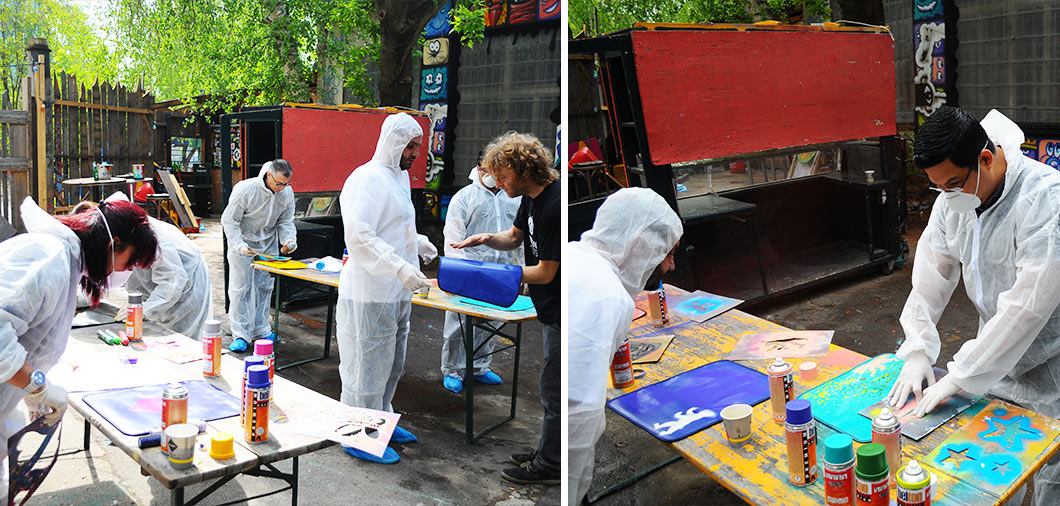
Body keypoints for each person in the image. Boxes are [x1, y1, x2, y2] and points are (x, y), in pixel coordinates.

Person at [886, 106, 1060, 505]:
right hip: (996, 355)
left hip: (1054, 359)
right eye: (937, 188)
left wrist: (961, 374)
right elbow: (932, 273)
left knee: (1054, 472)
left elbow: (1028, 306)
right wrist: (917, 348)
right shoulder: (956, 198)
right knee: (993, 467)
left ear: (985, 159)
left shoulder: (1045, 200)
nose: (945, 196)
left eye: (951, 184)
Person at [0, 197, 156, 500]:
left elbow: (26, 337)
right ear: (114, 244)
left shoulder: (64, 261)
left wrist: (29, 391)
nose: (126, 270)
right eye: (131, 261)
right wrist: (38, 386)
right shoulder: (49, 257)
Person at [451, 131, 560, 485]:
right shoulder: (529, 199)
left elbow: (545, 271)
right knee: (552, 385)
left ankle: (551, 465)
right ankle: (549, 450)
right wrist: (486, 239)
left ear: (523, 171)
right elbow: (513, 237)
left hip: (561, 308)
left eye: (503, 175)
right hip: (547, 308)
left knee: (553, 389)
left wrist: (499, 275)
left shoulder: (554, 206)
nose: (498, 182)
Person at [567, 188, 682, 503]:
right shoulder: (606, 295)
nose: (670, 265)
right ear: (643, 243)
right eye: (668, 252)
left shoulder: (575, 256)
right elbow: (578, 409)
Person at [336, 112, 437, 464]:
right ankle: (357, 434)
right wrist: (400, 266)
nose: (414, 153)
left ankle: (381, 419)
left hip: (396, 290)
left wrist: (418, 244)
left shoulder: (398, 178)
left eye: (417, 147)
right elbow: (361, 237)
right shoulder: (367, 179)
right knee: (366, 366)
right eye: (409, 146)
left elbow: (395, 227)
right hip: (369, 291)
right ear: (392, 141)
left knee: (391, 363)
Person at [74, 194, 213, 340]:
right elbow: (101, 273)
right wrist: (81, 297)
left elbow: (173, 282)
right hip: (156, 289)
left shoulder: (156, 240)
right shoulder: (111, 233)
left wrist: (146, 309)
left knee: (181, 343)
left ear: (116, 243)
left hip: (187, 289)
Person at [440, 157, 523, 393]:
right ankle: (453, 369)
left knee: (492, 323)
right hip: (469, 271)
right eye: (489, 171)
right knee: (459, 324)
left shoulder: (512, 197)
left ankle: (479, 367)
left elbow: (520, 239)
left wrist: (523, 272)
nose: (494, 178)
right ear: (478, 169)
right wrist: (459, 275)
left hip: (501, 272)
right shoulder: (465, 198)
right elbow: (453, 239)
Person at [221, 159, 297, 352]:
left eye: (286, 184)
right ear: (268, 175)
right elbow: (229, 221)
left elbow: (286, 221)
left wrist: (288, 240)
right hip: (244, 243)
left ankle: (261, 331)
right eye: (279, 183)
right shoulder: (246, 189)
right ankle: (240, 334)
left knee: (264, 287)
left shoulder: (286, 192)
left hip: (268, 244)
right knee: (242, 288)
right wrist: (238, 245)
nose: (282, 188)